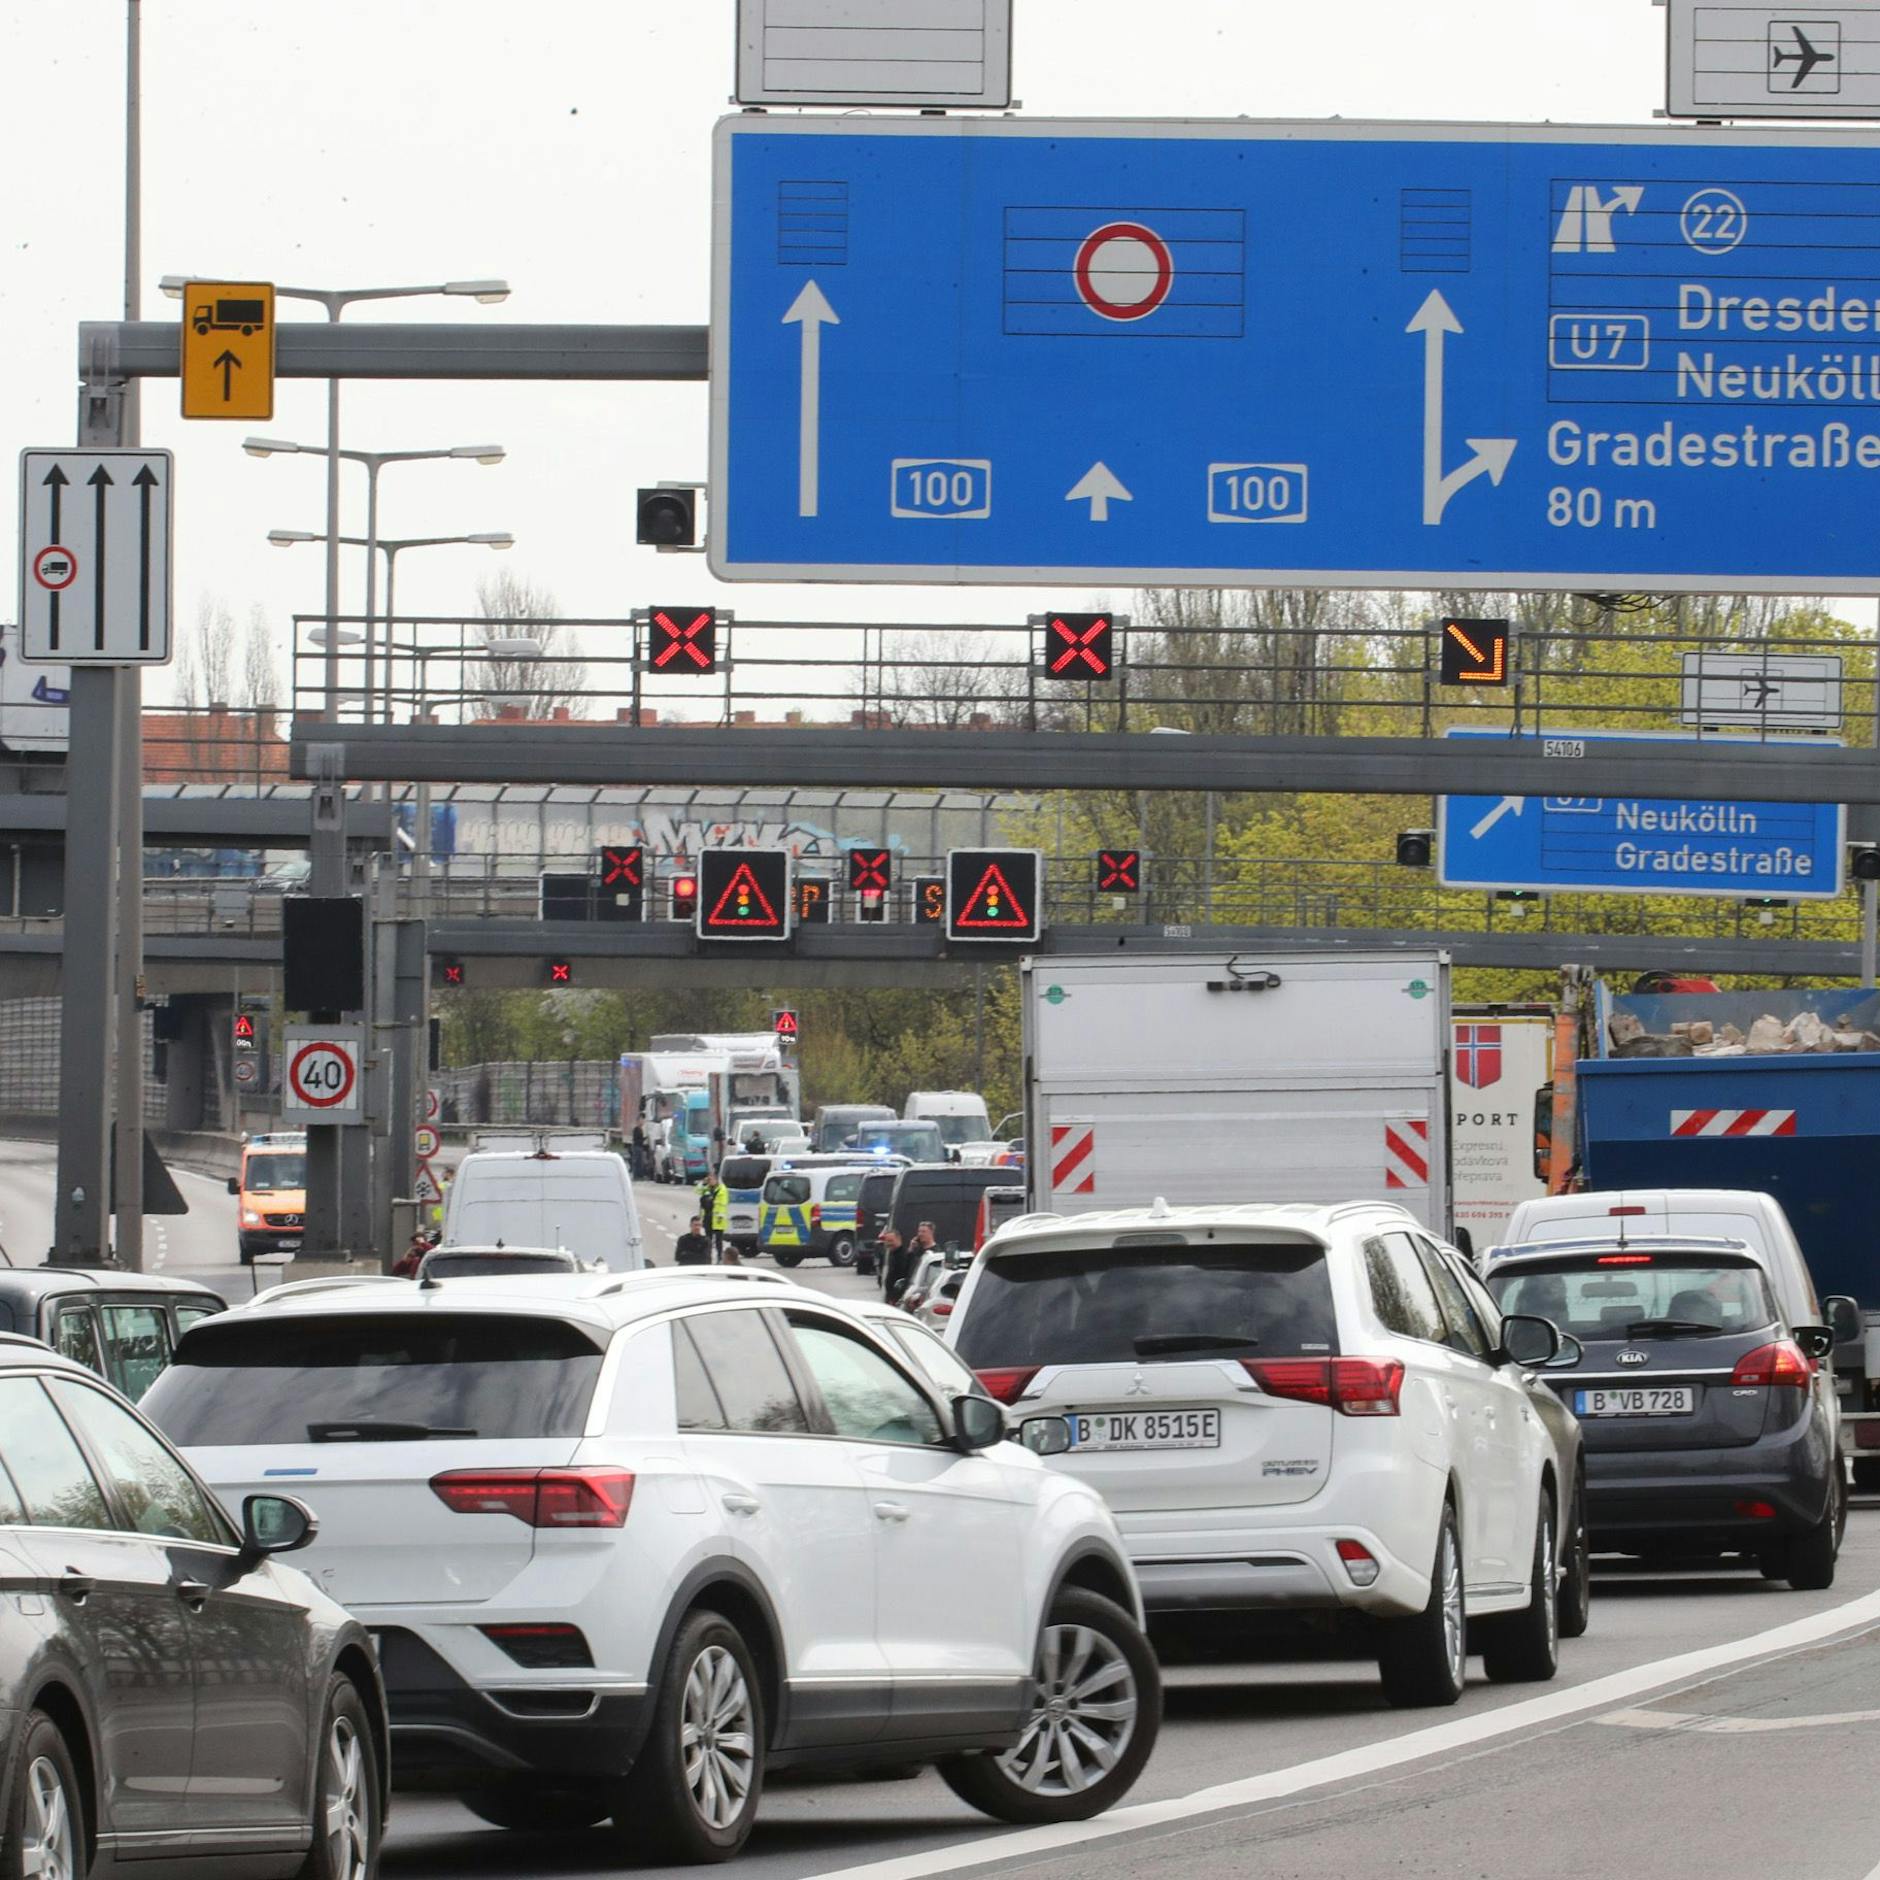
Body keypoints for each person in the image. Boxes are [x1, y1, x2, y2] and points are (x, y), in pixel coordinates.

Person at [884, 1220, 936, 1306]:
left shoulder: (935, 1253)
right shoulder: (916, 1252)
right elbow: (906, 1270)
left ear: (931, 1232)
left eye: (923, 1231)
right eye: (919, 1231)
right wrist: (911, 1249)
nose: (920, 1234)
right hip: (909, 1292)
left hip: (924, 1293)